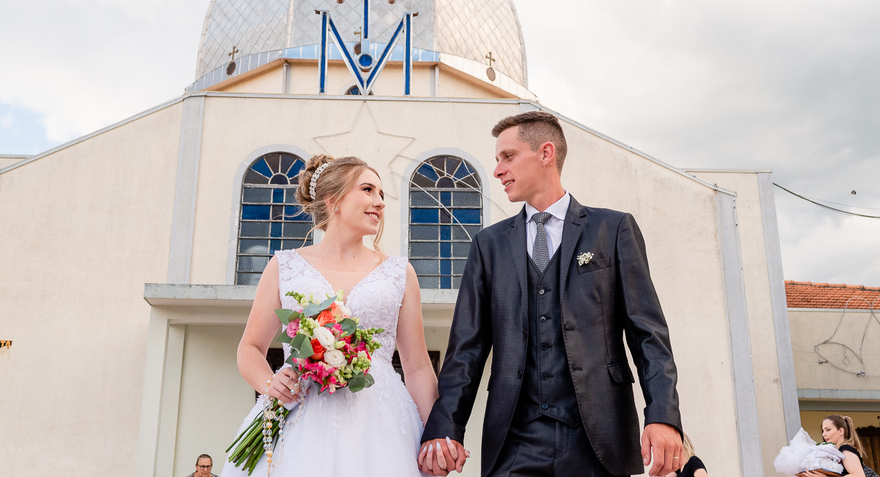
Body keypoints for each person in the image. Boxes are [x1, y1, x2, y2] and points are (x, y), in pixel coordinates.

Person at [419, 111, 684, 477]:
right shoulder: (488, 245)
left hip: (599, 439)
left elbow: (648, 334)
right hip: (514, 441)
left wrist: (663, 415)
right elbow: (467, 348)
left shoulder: (612, 229)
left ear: (545, 153)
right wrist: (444, 428)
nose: (497, 170)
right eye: (497, 159)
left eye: (508, 156)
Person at [222, 154, 443, 477]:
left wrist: (436, 434)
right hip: (300, 417)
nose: (380, 202)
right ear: (332, 200)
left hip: (380, 425)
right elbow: (249, 348)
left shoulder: (400, 272)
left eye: (381, 194)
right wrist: (270, 384)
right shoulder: (284, 266)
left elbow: (419, 367)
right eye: (367, 189)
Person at [799, 415, 867, 477]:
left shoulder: (846, 450)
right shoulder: (837, 451)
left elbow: (859, 475)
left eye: (828, 430)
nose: (823, 434)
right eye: (823, 431)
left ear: (841, 431)